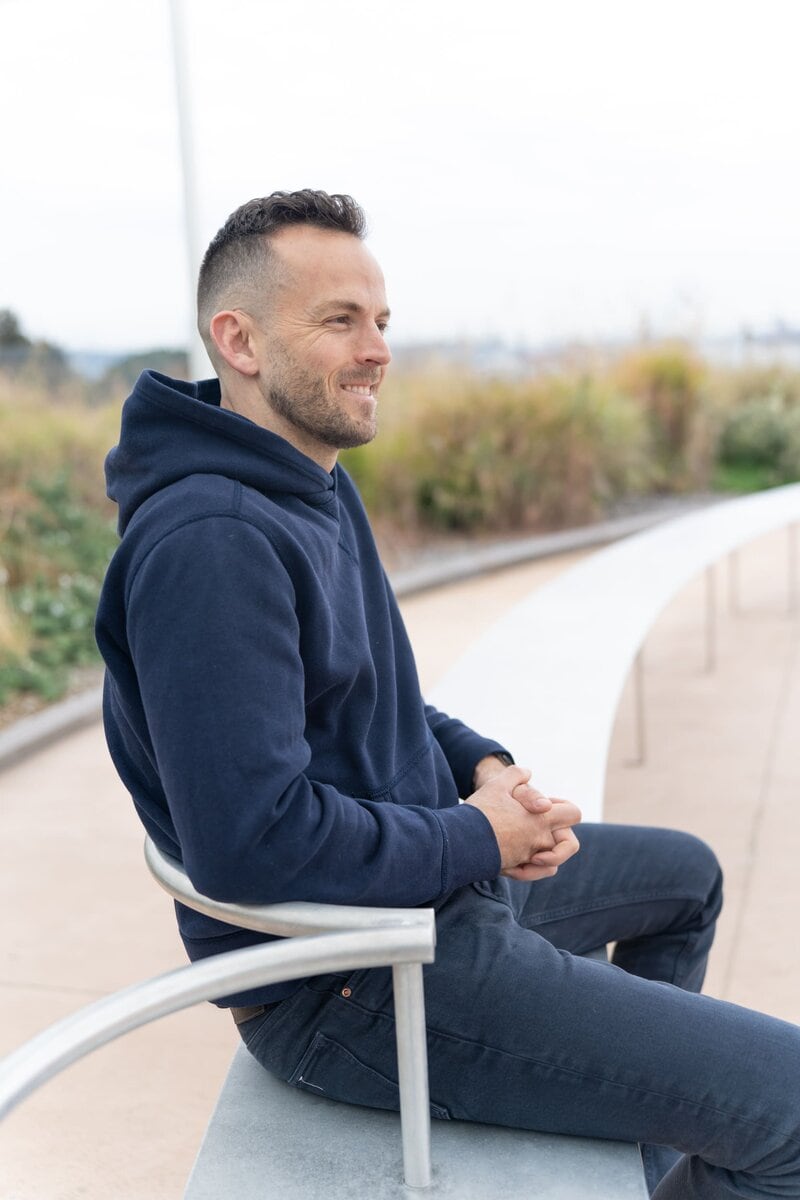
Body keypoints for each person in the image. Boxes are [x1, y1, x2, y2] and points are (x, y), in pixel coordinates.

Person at [96, 190, 800, 1199]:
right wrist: (476, 837)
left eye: (381, 321)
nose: (377, 350)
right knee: (788, 1107)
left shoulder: (311, 482)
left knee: (685, 879)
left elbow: (376, 697)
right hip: (347, 981)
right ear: (239, 341)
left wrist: (486, 770)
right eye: (340, 320)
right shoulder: (214, 545)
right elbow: (249, 842)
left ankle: (631, 1155)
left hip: (426, 900)